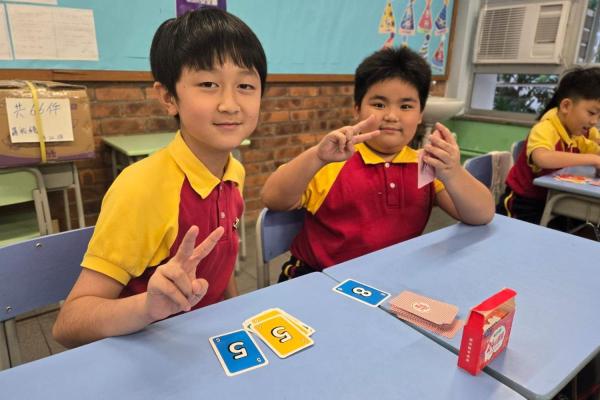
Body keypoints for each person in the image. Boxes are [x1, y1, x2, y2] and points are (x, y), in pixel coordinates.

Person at [53, 7, 267, 347]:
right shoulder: (141, 189)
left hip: (204, 339)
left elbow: (219, 261)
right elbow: (68, 324)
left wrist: (235, 312)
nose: (230, 104)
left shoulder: (233, 171)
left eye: (245, 85)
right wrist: (148, 307)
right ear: (168, 97)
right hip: (146, 345)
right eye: (208, 84)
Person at [261, 47, 494, 281]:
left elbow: (481, 215)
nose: (392, 116)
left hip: (388, 280)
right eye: (379, 105)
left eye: (406, 106)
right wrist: (317, 158)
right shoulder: (332, 161)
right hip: (319, 278)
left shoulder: (425, 165)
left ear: (420, 114)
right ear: (357, 109)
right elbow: (273, 198)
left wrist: (453, 172)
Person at [497, 67, 600, 224]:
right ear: (566, 106)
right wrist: (593, 159)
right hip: (523, 202)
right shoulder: (545, 128)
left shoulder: (576, 132)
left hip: (551, 198)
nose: (594, 122)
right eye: (592, 113)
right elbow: (542, 158)